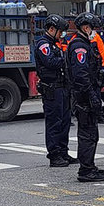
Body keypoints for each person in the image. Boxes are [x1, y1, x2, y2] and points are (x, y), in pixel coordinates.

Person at [66, 12, 104, 182]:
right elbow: (81, 74)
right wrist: (91, 95)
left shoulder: (84, 43)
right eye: (92, 29)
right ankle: (86, 170)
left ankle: (89, 165)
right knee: (87, 133)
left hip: (86, 94)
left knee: (91, 132)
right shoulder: (79, 47)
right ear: (85, 27)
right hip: (84, 96)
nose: (94, 32)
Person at [35, 15, 77, 167]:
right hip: (52, 88)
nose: (62, 35)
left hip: (63, 87)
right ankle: (54, 155)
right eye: (60, 32)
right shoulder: (43, 44)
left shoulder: (55, 44)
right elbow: (50, 62)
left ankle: (63, 152)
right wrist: (67, 59)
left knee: (65, 121)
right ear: (51, 29)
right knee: (54, 122)